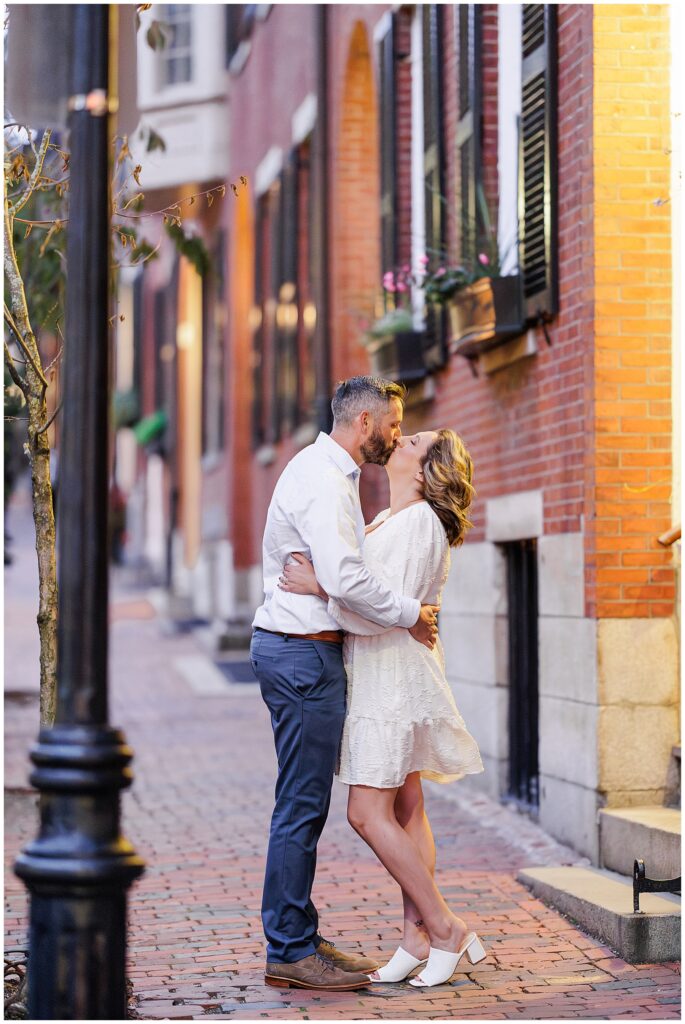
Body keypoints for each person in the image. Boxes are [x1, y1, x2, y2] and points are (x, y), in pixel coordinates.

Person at [250, 376, 441, 992]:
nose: (396, 431)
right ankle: (288, 948)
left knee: (305, 803)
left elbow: (336, 578)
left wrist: (329, 585)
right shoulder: (327, 480)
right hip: (301, 656)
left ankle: (300, 934)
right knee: (301, 806)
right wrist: (413, 614)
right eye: (394, 420)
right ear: (365, 423)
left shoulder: (330, 473)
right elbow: (349, 579)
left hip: (306, 653)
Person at [280, 427, 485, 988]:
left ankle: (444, 927)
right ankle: (414, 937)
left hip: (390, 679)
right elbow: (387, 601)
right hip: (383, 671)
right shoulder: (393, 520)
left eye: (415, 440)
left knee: (366, 813)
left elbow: (378, 611)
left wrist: (320, 590)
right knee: (407, 807)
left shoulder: (418, 523)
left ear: (423, 471)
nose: (403, 437)